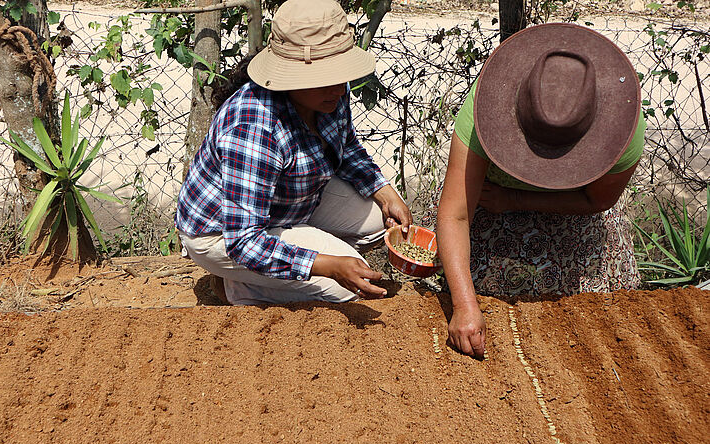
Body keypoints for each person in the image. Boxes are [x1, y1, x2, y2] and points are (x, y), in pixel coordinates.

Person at [175, 0, 411, 305]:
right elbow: (244, 241)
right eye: (328, 78)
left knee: (379, 221)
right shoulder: (253, 126)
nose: (341, 90)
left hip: (285, 203)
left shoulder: (328, 92)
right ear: (291, 76)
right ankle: (236, 286)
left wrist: (384, 192)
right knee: (345, 287)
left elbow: (347, 146)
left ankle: (289, 260)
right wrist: (326, 265)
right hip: (224, 234)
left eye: (341, 75)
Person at [436, 23, 646, 358]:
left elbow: (597, 199)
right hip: (488, 202)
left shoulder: (624, 131)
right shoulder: (481, 111)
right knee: (480, 287)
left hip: (569, 208)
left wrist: (516, 199)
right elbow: (456, 212)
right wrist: (464, 306)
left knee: (591, 310)